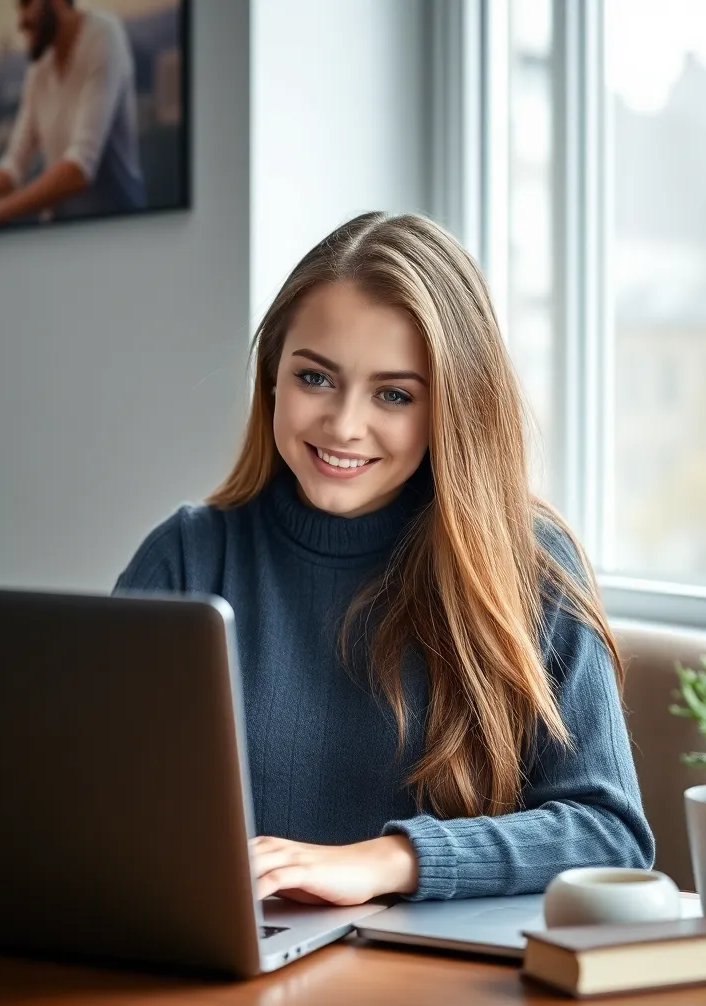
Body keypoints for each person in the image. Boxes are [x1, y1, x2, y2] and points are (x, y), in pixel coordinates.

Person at [113, 212, 655, 906]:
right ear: (273, 373)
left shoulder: (532, 568)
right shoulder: (188, 557)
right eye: (315, 378)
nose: (343, 425)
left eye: (394, 395)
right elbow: (91, 797)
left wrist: (387, 860)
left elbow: (610, 833)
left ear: (451, 408)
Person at [0, 0, 146, 232]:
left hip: (119, 237)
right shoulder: (39, 68)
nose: (20, 23)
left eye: (26, 4)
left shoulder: (104, 36)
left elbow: (79, 169)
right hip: (59, 239)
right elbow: (14, 164)